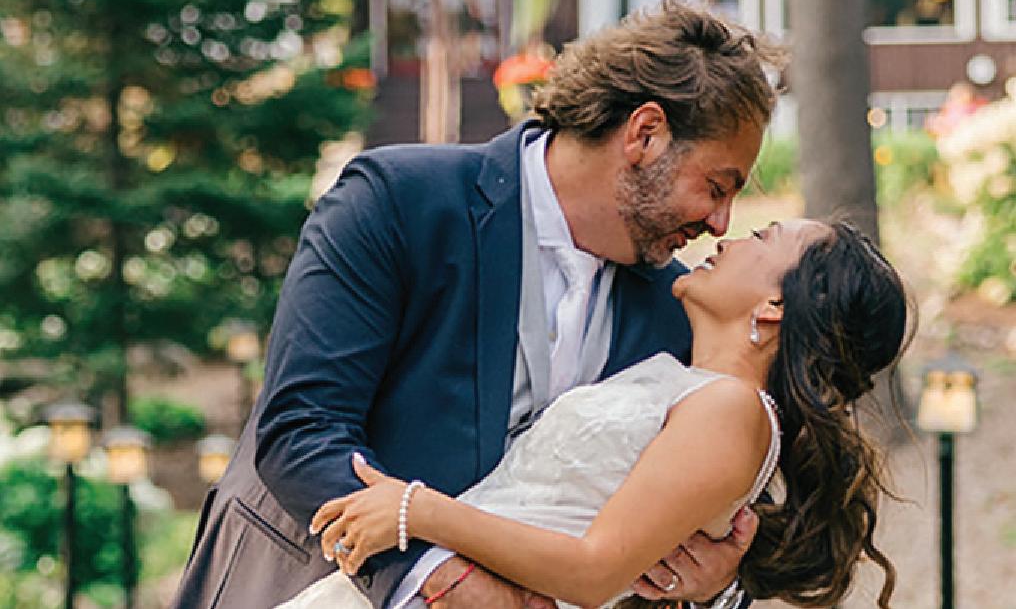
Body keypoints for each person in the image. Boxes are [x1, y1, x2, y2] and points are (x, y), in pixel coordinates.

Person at [171, 0, 782, 609]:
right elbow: (302, 429)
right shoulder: (398, 202)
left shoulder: (676, 313)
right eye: (716, 186)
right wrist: (438, 577)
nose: (720, 222)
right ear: (645, 134)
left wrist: (711, 588)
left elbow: (672, 517)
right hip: (298, 585)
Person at [299, 219, 909, 609]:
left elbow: (593, 572)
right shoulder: (688, 384)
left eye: (762, 237)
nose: (729, 238)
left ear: (775, 304)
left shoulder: (733, 410)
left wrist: (419, 511)